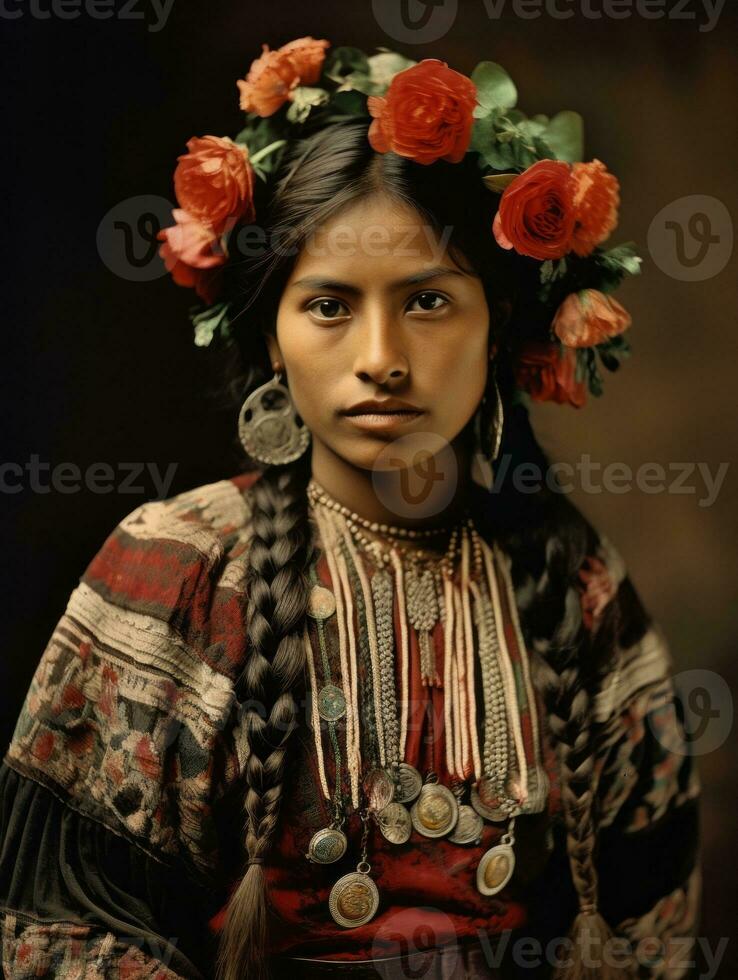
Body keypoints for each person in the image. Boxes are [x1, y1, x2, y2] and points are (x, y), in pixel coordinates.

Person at [0, 38, 701, 980]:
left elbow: (653, 926)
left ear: (498, 329)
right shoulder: (180, 567)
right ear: (273, 338)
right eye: (330, 305)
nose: (382, 356)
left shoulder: (569, 581)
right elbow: (65, 929)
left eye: (428, 302)